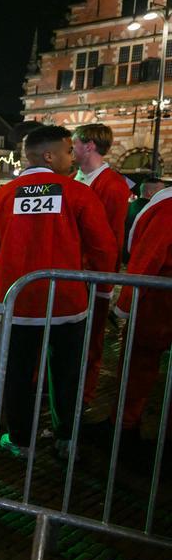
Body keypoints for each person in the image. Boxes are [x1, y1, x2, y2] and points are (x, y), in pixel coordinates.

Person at [0, 125, 117, 459]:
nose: (72, 156)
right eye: (68, 150)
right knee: (67, 373)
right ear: (49, 155)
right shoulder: (77, 193)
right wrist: (102, 286)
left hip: (17, 300)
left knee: (17, 372)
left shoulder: (3, 195)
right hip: (67, 300)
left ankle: (20, 440)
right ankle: (66, 437)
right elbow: (103, 247)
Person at [71, 124, 132, 411]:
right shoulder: (75, 178)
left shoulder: (112, 184)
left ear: (89, 145)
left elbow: (111, 238)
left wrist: (105, 282)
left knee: (90, 342)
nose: (71, 148)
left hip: (92, 275)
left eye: (75, 143)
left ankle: (82, 397)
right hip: (71, 273)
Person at [112, 184, 171, 436]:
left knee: (139, 361)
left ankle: (125, 421)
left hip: (158, 300)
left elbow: (148, 258)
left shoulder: (166, 209)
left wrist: (124, 304)